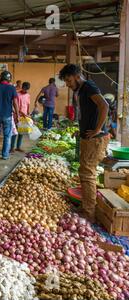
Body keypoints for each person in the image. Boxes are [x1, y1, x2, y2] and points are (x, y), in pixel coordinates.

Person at [59, 64, 110, 223]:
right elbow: (87, 113)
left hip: (95, 138)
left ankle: (89, 213)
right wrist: (80, 130)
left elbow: (104, 106)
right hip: (87, 137)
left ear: (77, 75)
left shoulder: (88, 86)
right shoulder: (80, 90)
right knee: (84, 172)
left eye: (68, 80)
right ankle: (85, 207)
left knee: (88, 174)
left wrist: (97, 129)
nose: (68, 84)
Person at [0, 71, 19, 160]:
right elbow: (15, 102)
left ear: (1, 78)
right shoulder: (12, 88)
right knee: (7, 136)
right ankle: (5, 155)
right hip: (7, 116)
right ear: (9, 79)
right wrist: (17, 114)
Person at [11, 82, 31, 153]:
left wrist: (28, 113)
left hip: (25, 116)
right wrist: (20, 113)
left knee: (21, 132)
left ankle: (18, 147)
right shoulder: (17, 94)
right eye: (24, 88)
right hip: (17, 115)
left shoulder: (28, 95)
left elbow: (28, 105)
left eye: (26, 89)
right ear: (22, 87)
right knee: (15, 131)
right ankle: (12, 147)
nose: (25, 90)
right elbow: (15, 105)